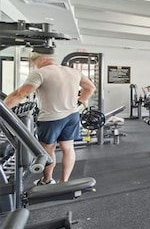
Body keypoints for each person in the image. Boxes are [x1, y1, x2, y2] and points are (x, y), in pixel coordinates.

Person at [4, 50, 96, 185]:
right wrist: (79, 102)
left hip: (51, 118)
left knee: (48, 150)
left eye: (34, 63)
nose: (35, 66)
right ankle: (64, 182)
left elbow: (20, 94)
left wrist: (3, 109)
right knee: (68, 148)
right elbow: (91, 88)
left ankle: (47, 180)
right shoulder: (74, 72)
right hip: (72, 115)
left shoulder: (40, 73)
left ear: (41, 60)